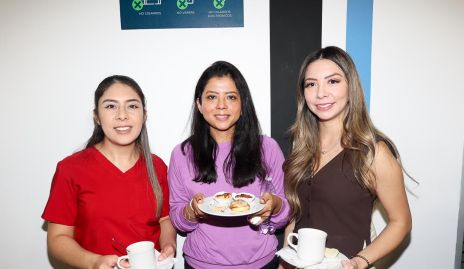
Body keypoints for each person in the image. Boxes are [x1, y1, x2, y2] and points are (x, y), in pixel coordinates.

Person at [282, 46, 412, 269]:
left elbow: (401, 222)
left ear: (351, 86)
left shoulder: (373, 152)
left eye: (332, 81)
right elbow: (296, 217)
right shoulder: (301, 147)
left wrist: (361, 261)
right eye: (311, 84)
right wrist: (285, 263)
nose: (320, 93)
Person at [42, 75, 176, 269]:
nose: (122, 115)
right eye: (111, 106)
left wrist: (169, 244)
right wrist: (94, 262)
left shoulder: (157, 166)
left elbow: (165, 219)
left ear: (144, 115)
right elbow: (57, 239)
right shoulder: (70, 169)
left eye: (132, 106)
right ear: (97, 116)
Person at [168, 61, 289, 269]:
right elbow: (177, 219)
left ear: (243, 104)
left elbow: (284, 214)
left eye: (231, 97)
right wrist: (191, 210)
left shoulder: (267, 148)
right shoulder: (181, 154)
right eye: (212, 97)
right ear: (199, 104)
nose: (221, 105)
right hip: (200, 265)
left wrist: (274, 206)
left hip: (262, 264)